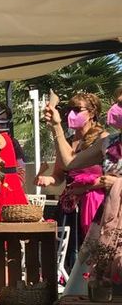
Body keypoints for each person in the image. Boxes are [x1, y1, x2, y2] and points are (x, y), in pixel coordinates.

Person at [45, 88, 122, 294]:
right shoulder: (109, 142)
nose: (116, 109)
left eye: (121, 105)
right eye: (117, 103)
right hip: (109, 219)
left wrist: (114, 182)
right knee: (100, 279)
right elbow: (70, 163)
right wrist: (56, 126)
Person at [35, 93, 108, 239]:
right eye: (69, 109)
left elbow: (112, 175)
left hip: (94, 203)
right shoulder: (66, 141)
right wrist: (48, 179)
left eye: (77, 109)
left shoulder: (103, 139)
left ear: (92, 112)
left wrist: (85, 187)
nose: (71, 114)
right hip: (69, 205)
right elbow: (60, 174)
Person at [0, 102, 28, 222]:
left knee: (0, 225)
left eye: (4, 119)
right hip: (9, 183)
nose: (1, 122)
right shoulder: (1, 135)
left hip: (5, 184)